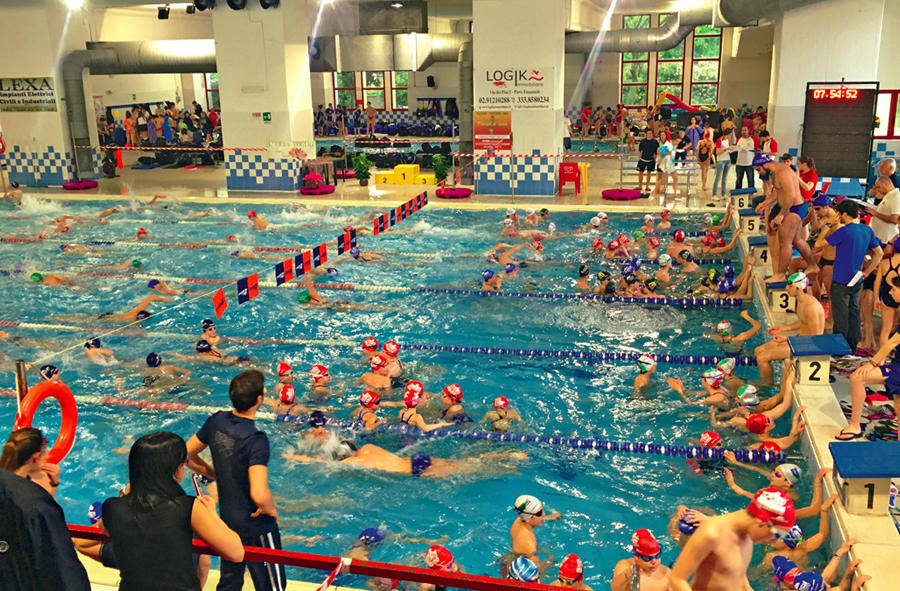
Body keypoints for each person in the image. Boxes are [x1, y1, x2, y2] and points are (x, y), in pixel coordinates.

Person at [101, 432, 244, 591]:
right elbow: (236, 553)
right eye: (184, 463)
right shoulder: (188, 507)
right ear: (175, 469)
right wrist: (211, 514)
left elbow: (106, 532)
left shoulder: (111, 508)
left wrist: (127, 491)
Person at [186, 370, 286, 591]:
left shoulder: (216, 421)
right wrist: (270, 509)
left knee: (230, 583)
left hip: (228, 521)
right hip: (256, 525)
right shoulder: (255, 439)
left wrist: (215, 474)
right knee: (273, 586)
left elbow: (186, 455)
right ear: (259, 399)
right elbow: (259, 494)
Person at [0, 428, 91, 591]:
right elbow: (47, 525)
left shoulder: (12, 481)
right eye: (44, 453)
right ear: (35, 458)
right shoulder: (33, 497)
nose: (48, 456)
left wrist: (53, 484)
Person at [668, 487, 796, 591]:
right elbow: (677, 579)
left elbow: (738, 577)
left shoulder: (747, 535)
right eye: (776, 535)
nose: (772, 541)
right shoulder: (711, 532)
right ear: (762, 522)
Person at [836, 299, 900, 441]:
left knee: (857, 377)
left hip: (897, 368)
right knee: (898, 406)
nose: (890, 292)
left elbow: (893, 342)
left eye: (893, 289)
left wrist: (872, 363)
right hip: (896, 365)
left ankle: (854, 425)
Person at [283, 442, 526, 478]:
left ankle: (506, 469)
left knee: (466, 471)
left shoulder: (350, 463)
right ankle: (505, 455)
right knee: (464, 461)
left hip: (415, 473)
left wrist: (294, 456)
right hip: (417, 460)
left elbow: (320, 463)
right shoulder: (367, 448)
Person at [827, 200, 884, 353]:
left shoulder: (844, 231)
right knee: (854, 314)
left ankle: (838, 350)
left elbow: (821, 243)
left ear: (844, 214)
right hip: (857, 279)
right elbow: (879, 253)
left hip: (841, 280)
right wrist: (867, 271)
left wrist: (830, 225)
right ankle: (851, 348)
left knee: (841, 317)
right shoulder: (867, 230)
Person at [754, 153, 817, 284]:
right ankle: (813, 265)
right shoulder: (777, 172)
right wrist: (764, 203)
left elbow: (790, 196)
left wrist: (781, 214)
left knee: (785, 243)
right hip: (795, 207)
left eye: (758, 169)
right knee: (797, 241)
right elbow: (778, 192)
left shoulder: (782, 172)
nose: (759, 173)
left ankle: (780, 274)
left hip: (794, 208)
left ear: (764, 164)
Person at [753, 272, 824, 383]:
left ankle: (768, 387)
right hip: (800, 340)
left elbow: (814, 339)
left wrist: (787, 339)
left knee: (762, 358)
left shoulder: (811, 307)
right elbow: (803, 321)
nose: (786, 288)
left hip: (808, 346)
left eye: (790, 286)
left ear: (799, 288)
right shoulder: (802, 300)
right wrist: (783, 329)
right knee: (758, 350)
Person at [509, 494, 561, 566]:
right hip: (518, 566)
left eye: (542, 510)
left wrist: (551, 517)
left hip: (511, 555)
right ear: (528, 519)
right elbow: (536, 572)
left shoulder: (519, 520)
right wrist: (550, 560)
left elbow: (534, 518)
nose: (544, 514)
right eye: (539, 513)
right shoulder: (530, 546)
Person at [712, 128, 734, 198]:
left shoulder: (727, 141)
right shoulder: (719, 140)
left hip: (727, 160)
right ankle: (714, 194)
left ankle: (723, 194)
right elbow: (717, 153)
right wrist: (725, 149)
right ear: (726, 135)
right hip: (721, 161)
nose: (730, 137)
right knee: (718, 178)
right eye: (729, 136)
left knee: (724, 178)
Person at [734, 126, 757, 190]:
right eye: (742, 130)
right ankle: (738, 193)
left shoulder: (751, 140)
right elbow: (737, 148)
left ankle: (751, 193)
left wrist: (741, 147)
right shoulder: (739, 139)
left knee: (750, 180)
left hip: (749, 163)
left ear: (748, 131)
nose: (744, 132)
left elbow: (748, 149)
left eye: (745, 130)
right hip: (739, 163)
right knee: (738, 180)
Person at [636, 128, 659, 193]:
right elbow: (640, 150)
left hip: (651, 160)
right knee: (640, 173)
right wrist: (639, 158)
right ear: (646, 134)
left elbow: (656, 151)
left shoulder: (655, 142)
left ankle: (647, 186)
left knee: (649, 173)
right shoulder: (643, 141)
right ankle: (640, 186)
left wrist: (655, 159)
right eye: (648, 133)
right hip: (643, 159)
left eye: (650, 133)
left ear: (652, 134)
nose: (649, 135)